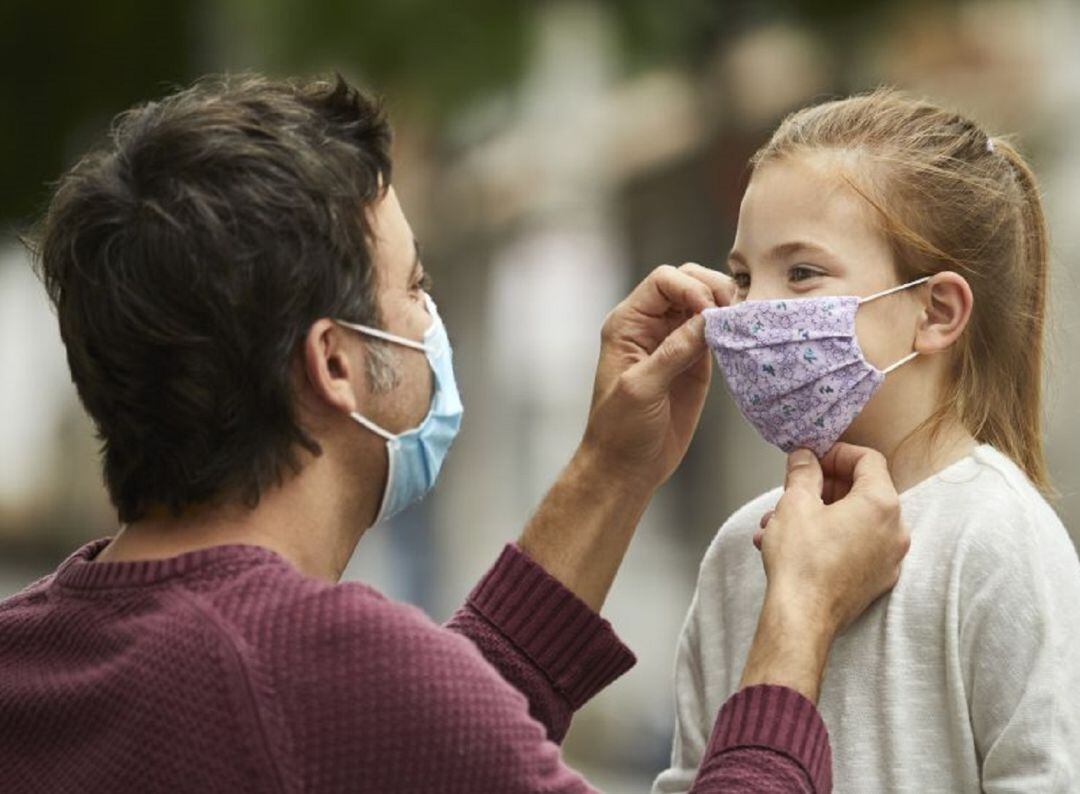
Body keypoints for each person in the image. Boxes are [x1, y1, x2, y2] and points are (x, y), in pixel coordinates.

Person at [0, 74, 908, 794]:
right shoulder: (318, 673)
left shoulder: (36, 655)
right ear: (337, 364)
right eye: (416, 287)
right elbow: (382, 714)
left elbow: (423, 742)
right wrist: (798, 619)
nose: (432, 318)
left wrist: (610, 470)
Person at [654, 89, 1080, 794]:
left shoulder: (998, 541)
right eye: (741, 276)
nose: (752, 308)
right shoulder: (740, 549)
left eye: (801, 273)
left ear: (936, 312)